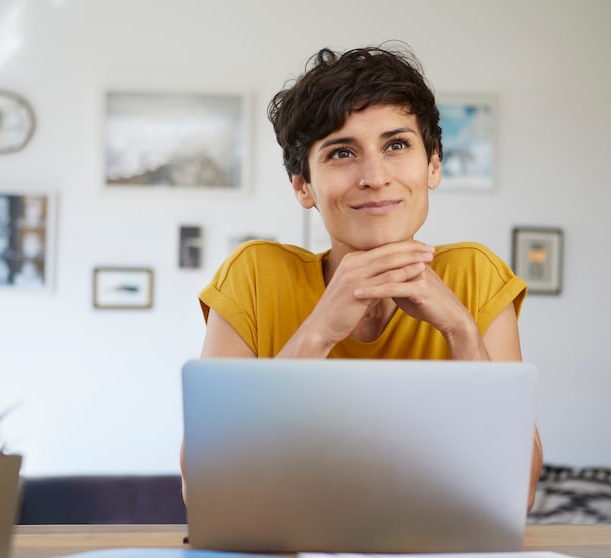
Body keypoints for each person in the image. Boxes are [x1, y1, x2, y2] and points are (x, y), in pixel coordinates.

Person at [183, 43, 543, 509]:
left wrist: (461, 331)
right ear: (303, 185)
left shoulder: (476, 275)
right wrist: (318, 332)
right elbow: (206, 488)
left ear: (433, 165)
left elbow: (519, 491)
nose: (375, 176)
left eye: (396, 145)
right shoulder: (254, 275)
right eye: (340, 153)